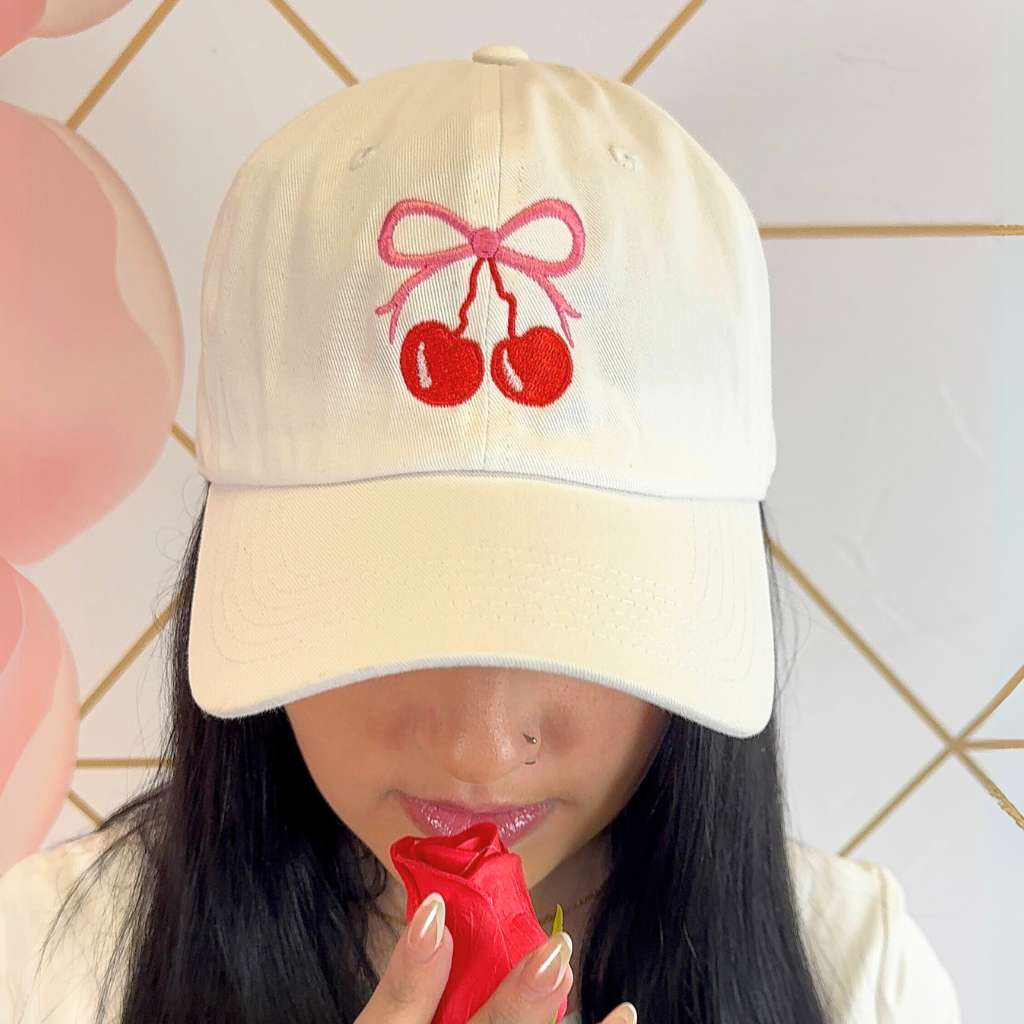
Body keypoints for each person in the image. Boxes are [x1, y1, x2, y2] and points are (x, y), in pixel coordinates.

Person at [0, 43, 961, 1024]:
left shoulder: (863, 978)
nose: (478, 750)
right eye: (384, 597)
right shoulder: (41, 966)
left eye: (585, 608)